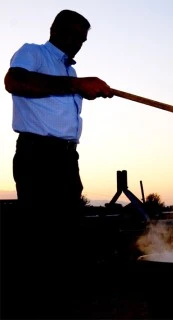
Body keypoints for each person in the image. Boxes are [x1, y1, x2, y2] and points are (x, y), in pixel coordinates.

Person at [2, 9, 114, 318]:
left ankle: (59, 302)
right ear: (56, 30)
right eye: (74, 36)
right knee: (40, 232)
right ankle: (32, 304)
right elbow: (15, 81)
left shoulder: (71, 72)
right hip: (38, 155)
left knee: (65, 232)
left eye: (82, 39)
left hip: (67, 157)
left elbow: (62, 98)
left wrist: (82, 88)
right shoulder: (33, 53)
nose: (78, 44)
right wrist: (77, 87)